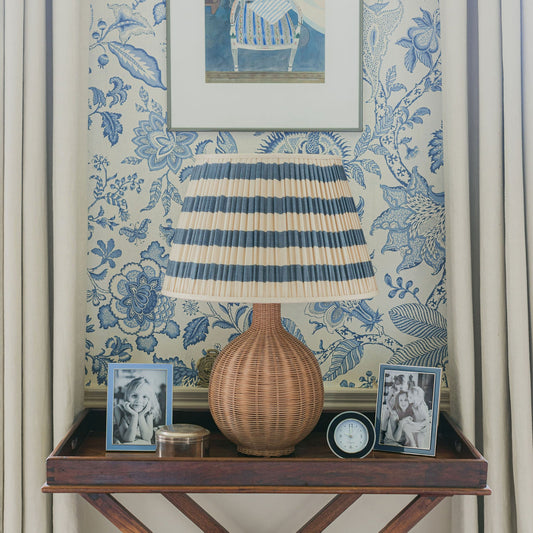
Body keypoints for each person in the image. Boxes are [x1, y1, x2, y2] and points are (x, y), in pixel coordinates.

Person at [113, 376, 162, 444]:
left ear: (149, 399)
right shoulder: (119, 410)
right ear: (127, 396)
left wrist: (141, 416)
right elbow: (128, 439)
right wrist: (134, 416)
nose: (139, 400)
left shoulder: (148, 411)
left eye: (144, 396)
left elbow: (147, 437)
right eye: (134, 396)